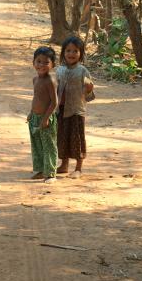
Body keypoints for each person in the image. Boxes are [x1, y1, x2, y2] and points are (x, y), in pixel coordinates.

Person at [56, 36, 94, 179]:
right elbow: (56, 88)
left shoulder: (82, 71)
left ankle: (78, 168)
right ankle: (64, 164)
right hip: (61, 110)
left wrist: (89, 88)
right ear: (63, 53)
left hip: (77, 110)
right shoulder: (59, 70)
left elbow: (89, 91)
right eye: (68, 51)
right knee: (62, 137)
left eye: (75, 51)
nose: (71, 54)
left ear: (81, 53)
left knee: (77, 138)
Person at [27, 46, 58, 183]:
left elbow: (54, 102)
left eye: (46, 62)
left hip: (47, 119)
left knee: (49, 146)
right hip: (35, 117)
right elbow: (36, 98)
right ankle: (40, 170)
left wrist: (46, 118)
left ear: (53, 65)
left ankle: (51, 173)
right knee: (37, 144)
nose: (42, 65)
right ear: (33, 63)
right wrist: (31, 113)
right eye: (38, 61)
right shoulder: (35, 80)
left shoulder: (50, 81)